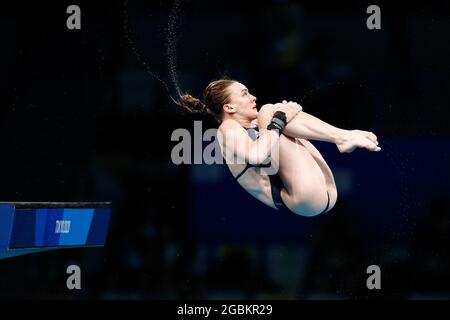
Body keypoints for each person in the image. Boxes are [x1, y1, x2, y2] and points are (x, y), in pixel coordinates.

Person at [176, 78, 380, 217]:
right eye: (245, 94)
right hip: (302, 197)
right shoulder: (226, 128)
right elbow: (256, 155)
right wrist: (279, 120)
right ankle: (342, 137)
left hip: (321, 191)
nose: (252, 97)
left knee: (274, 111)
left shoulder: (256, 127)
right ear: (229, 108)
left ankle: (343, 136)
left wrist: (283, 117)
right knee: (269, 111)